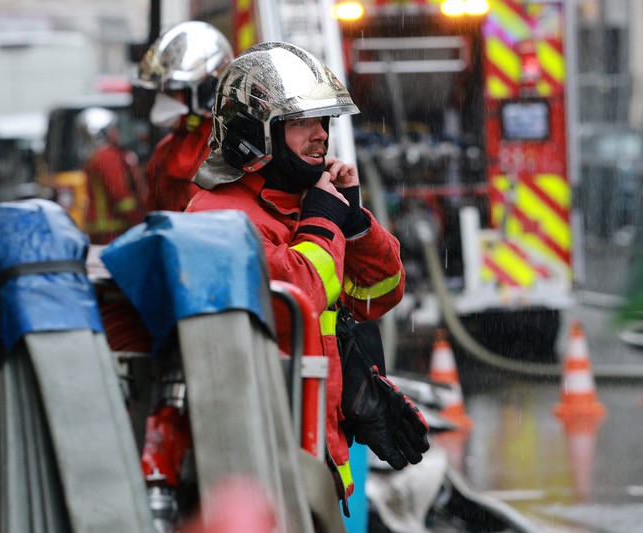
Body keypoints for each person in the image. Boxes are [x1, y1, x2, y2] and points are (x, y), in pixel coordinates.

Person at [186, 41, 430, 512]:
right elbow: (294, 301)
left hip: (313, 454)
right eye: (301, 122)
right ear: (252, 132)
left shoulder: (303, 202)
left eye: (325, 121)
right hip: (261, 462)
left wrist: (355, 223)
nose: (321, 135)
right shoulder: (220, 216)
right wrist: (322, 223)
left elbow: (379, 295)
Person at [135, 20, 234, 212]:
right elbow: (155, 218)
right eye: (161, 91)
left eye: (172, 92)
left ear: (206, 90)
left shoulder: (231, 152)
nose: (162, 100)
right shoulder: (162, 153)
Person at [79, 107, 147, 244]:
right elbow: (120, 195)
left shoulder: (95, 157)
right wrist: (139, 220)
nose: (115, 132)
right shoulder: (107, 157)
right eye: (111, 128)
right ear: (100, 132)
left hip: (104, 232)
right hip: (115, 232)